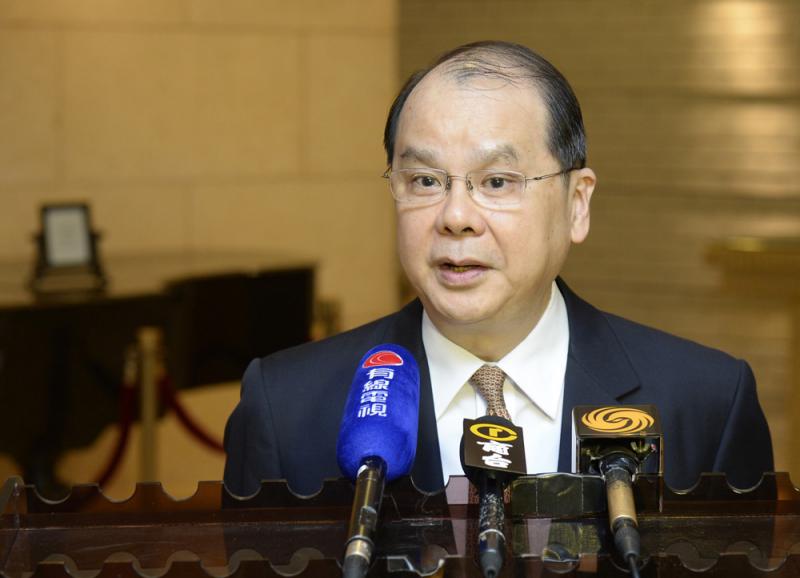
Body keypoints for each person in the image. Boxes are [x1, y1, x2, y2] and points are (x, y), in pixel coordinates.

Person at [223, 40, 773, 497]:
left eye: (496, 182)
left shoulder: (705, 401)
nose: (455, 217)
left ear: (576, 204)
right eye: (425, 181)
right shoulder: (285, 408)